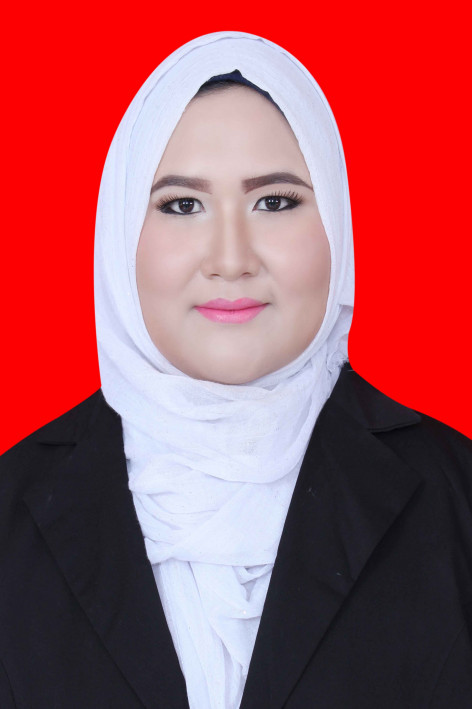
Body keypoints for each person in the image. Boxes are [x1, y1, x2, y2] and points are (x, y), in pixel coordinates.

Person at [0, 30, 471, 709]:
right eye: (182, 205)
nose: (230, 258)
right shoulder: (14, 511)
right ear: (121, 234)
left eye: (274, 202)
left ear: (336, 225)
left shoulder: (457, 501)